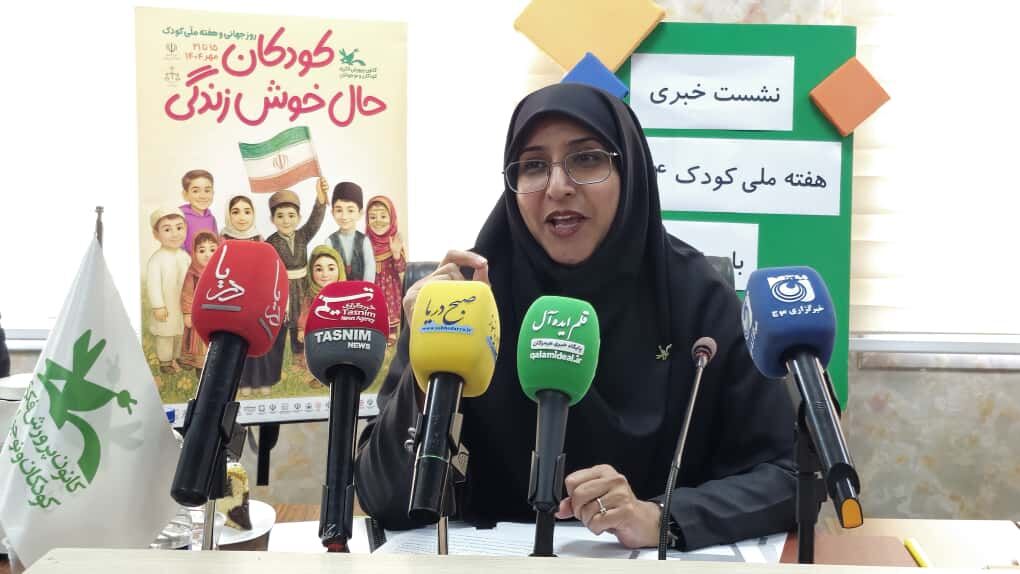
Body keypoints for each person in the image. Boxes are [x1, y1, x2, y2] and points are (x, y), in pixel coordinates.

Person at [354, 83, 797, 551]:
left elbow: (787, 476)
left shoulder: (697, 297)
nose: (557, 186)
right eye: (533, 166)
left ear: (630, 171)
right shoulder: (464, 302)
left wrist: (663, 517)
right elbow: (382, 497)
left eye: (586, 159)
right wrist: (431, 366)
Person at [263, 179, 328, 394]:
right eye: (280, 216)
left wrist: (320, 199)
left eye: (291, 215)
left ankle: (302, 363)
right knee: (283, 324)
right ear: (272, 219)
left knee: (302, 323)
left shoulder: (302, 235)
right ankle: (278, 368)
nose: (286, 220)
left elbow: (315, 222)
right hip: (282, 289)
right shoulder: (270, 242)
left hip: (303, 287)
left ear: (298, 218)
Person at [146, 206, 190, 374]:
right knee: (165, 335)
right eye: (167, 229)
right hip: (166, 306)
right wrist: (158, 305)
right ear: (156, 234)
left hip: (182, 305)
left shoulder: (185, 256)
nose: (175, 234)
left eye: (179, 228)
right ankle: (165, 361)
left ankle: (179, 357)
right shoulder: (156, 260)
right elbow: (153, 285)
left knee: (180, 333)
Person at [295, 244, 346, 372]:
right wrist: (302, 329)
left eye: (331, 268)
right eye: (319, 269)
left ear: (339, 269)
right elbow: (305, 313)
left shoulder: (346, 294)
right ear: (311, 272)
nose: (325, 274)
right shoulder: (310, 295)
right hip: (317, 335)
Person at [364, 195, 406, 345]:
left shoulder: (395, 242)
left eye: (383, 216)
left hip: (390, 286)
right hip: (371, 284)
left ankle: (391, 332)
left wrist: (396, 254)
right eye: (373, 217)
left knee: (389, 308)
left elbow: (402, 268)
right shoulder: (364, 242)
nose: (378, 221)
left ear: (392, 218)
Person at [179, 231, 219, 375]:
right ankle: (199, 367)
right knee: (198, 342)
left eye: (212, 250)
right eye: (202, 251)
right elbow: (187, 294)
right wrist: (187, 313)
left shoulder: (221, 271)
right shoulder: (192, 274)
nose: (207, 255)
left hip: (216, 316)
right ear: (194, 253)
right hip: (198, 316)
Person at [325, 182, 376, 282]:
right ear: (332, 213)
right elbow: (328, 272)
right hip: (337, 289)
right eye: (339, 210)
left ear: (360, 213)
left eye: (350, 210)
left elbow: (369, 270)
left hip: (361, 289)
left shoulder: (364, 241)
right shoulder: (330, 241)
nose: (344, 216)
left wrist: (364, 289)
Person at [179, 169, 218, 253]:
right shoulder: (180, 217)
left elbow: (215, 244)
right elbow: (177, 246)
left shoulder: (211, 219)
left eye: (207, 191)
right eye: (195, 191)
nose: (202, 196)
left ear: (213, 193)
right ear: (185, 195)